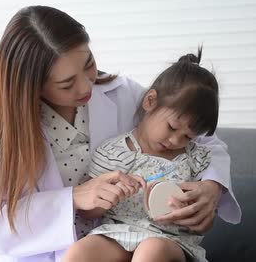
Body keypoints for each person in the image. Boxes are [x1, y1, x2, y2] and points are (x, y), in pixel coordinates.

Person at [0, 6, 241, 262]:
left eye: (88, 63)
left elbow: (201, 138)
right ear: (31, 86)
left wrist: (211, 188)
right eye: (67, 84)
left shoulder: (124, 94)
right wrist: (73, 198)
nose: (86, 87)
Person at [63, 49, 222, 262]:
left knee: (150, 251)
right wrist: (110, 196)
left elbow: (207, 216)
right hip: (118, 234)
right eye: (172, 127)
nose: (176, 141)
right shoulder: (113, 152)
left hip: (170, 240)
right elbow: (87, 212)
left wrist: (197, 214)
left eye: (188, 136)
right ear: (149, 101)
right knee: (79, 252)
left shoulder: (195, 158)